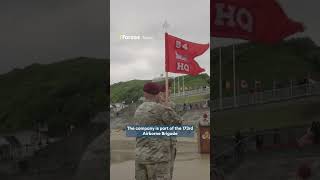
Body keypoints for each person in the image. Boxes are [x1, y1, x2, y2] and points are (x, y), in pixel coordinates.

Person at [135, 82, 182, 180]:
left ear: (144, 94)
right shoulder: (161, 109)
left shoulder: (138, 109)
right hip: (157, 158)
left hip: (141, 156)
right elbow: (178, 124)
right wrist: (167, 107)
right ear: (158, 94)